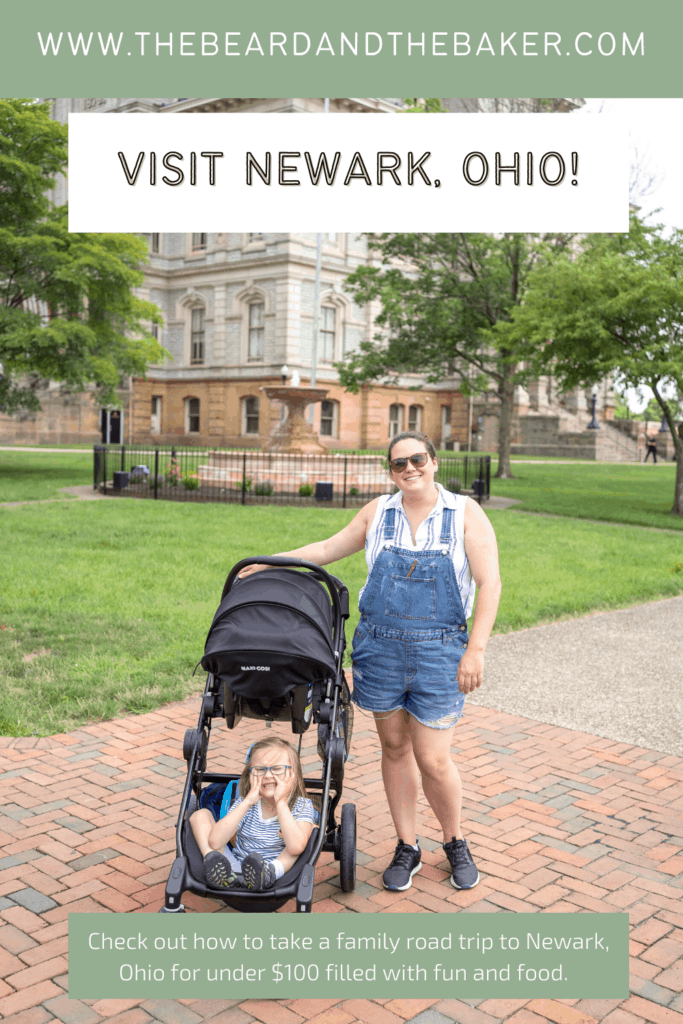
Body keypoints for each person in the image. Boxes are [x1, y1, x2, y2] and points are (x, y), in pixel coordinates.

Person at [237, 431, 501, 895]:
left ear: (434, 462)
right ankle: (407, 845)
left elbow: (490, 583)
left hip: (441, 652)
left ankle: (454, 840)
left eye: (417, 459)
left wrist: (475, 649)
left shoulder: (464, 513)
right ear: (391, 471)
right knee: (395, 748)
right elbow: (325, 550)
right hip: (380, 650)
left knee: (434, 758)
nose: (409, 469)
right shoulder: (378, 513)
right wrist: (269, 564)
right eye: (399, 464)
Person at [190, 737, 319, 891]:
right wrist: (247, 802)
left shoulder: (302, 806)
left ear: (293, 775)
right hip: (236, 868)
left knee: (299, 840)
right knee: (199, 815)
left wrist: (281, 803)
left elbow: (296, 847)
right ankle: (221, 871)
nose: (268, 775)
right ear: (250, 775)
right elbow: (215, 842)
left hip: (275, 870)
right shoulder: (246, 804)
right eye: (260, 769)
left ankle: (267, 874)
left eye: (277, 768)